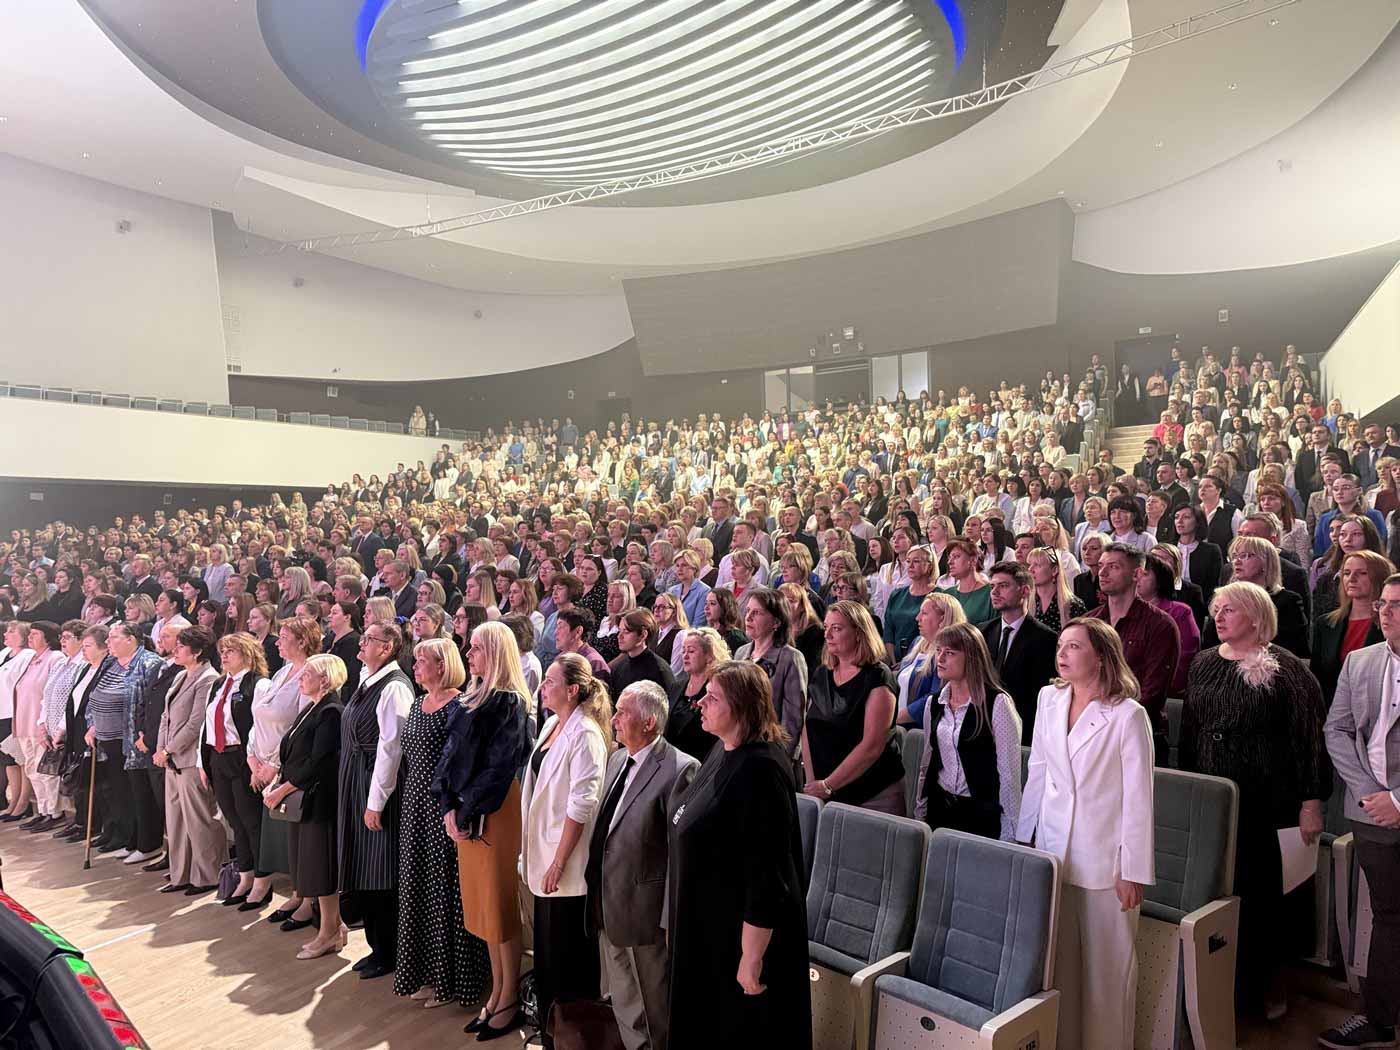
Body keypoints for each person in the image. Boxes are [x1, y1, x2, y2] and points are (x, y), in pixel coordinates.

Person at [1181, 581, 1327, 1018]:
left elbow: (1308, 739)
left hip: (1264, 798)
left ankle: (1264, 985)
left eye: (1230, 609)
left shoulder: (1287, 669)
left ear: (1257, 617)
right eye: (1217, 608)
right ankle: (1216, 987)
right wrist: (1188, 786)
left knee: (1260, 895)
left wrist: (1312, 801)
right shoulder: (1204, 661)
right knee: (1216, 890)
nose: (1219, 616)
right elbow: (1191, 728)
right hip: (1211, 795)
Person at [1017, 618, 1155, 1050]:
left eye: (1074, 646)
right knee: (1060, 971)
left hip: (1104, 863)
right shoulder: (1049, 698)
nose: (1062, 652)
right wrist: (1024, 837)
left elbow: (1139, 797)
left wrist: (1132, 869)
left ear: (1101, 657)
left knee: (1107, 977)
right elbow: (1038, 770)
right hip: (1053, 854)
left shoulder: (1128, 715)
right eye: (1061, 644)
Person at [666, 660, 811, 1050]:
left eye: (713, 698)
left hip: (735, 943)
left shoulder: (761, 769)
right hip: (706, 929)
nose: (700, 704)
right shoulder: (722, 748)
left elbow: (767, 875)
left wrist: (751, 958)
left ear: (743, 707)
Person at [586, 681, 699, 1050]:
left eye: (623, 712)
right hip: (609, 904)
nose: (614, 719)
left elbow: (680, 855)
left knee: (655, 1015)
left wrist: (668, 919)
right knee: (624, 1006)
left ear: (649, 723)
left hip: (647, 918)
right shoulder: (618, 759)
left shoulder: (680, 769)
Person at [433, 623, 532, 1038]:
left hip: (496, 808)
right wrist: (448, 804)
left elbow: (499, 767)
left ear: (495, 653)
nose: (468, 654)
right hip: (468, 808)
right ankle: (497, 992)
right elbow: (450, 757)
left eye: (476, 648)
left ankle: (509, 996)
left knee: (499, 906)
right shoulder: (472, 696)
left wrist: (465, 808)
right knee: (483, 908)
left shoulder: (510, 702)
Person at [1320, 572, 1400, 1050]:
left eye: (1398, 604)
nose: (1386, 612)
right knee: (1389, 914)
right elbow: (1337, 730)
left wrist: (1399, 800)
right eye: (1384, 603)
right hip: (1370, 811)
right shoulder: (1360, 660)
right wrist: (1372, 793)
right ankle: (1380, 1019)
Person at [393, 636, 490, 1010]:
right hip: (414, 807)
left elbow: (461, 764)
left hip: (443, 809)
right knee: (417, 888)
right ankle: (425, 973)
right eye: (415, 660)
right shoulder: (417, 703)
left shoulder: (460, 705)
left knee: (444, 892)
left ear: (443, 665)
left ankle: (450, 979)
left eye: (423, 660)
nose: (416, 666)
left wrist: (454, 809)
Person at [522, 653, 610, 1042]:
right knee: (547, 960)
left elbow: (581, 806)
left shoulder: (586, 734)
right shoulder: (552, 724)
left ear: (572, 690)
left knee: (567, 962)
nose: (543, 687)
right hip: (543, 857)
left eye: (551, 681)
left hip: (567, 867)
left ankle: (572, 1039)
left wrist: (558, 862)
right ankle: (550, 1035)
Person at [339, 621, 413, 981]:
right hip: (357, 779)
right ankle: (375, 946)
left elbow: (391, 749)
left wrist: (376, 802)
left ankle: (389, 952)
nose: (362, 642)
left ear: (387, 647)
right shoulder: (367, 679)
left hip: (376, 785)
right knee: (363, 868)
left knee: (380, 870)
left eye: (369, 639)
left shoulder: (395, 687)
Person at [264, 653, 347, 960]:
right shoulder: (312, 708)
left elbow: (318, 763)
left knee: (321, 869)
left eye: (307, 674)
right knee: (310, 868)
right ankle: (334, 928)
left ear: (325, 679)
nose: (300, 678)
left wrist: (282, 790)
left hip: (319, 801)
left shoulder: (331, 711)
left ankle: (328, 933)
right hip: (304, 800)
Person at [913, 622, 1021, 839]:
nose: (940, 658)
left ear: (971, 657)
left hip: (980, 813)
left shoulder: (997, 703)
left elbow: (1009, 775)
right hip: (940, 807)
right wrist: (920, 809)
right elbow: (928, 762)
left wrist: (1010, 833)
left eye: (950, 653)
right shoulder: (934, 703)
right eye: (939, 651)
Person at [801, 601, 905, 814]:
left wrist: (828, 784)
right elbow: (807, 729)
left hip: (872, 794)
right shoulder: (822, 673)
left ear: (859, 633)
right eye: (826, 627)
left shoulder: (878, 676)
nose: (827, 635)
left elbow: (871, 746)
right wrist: (814, 783)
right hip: (824, 790)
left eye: (837, 628)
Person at [255, 617, 322, 931]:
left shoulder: (311, 672)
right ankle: (297, 892)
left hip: (290, 767)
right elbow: (261, 717)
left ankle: (309, 900)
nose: (277, 642)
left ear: (303, 641)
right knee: (288, 841)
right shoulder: (283, 672)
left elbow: (301, 728)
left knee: (302, 839)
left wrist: (274, 764)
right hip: (268, 765)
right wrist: (254, 757)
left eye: (284, 637)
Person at [200, 631, 274, 909]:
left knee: (251, 822)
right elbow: (207, 725)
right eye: (222, 650)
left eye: (231, 650)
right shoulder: (219, 684)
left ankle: (263, 882)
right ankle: (245, 876)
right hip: (218, 758)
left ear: (248, 653)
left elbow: (261, 727)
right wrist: (203, 762)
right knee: (235, 822)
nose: (224, 655)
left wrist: (256, 763)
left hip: (243, 759)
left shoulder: (259, 684)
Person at [1089, 544, 1181, 762]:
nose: (1103, 572)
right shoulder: (1090, 622)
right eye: (1101, 565)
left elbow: (1152, 692)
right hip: (1091, 733)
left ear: (1137, 574)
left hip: (1136, 737)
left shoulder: (1160, 625)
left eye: (1113, 566)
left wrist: (1109, 726)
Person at [153, 625, 224, 895]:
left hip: (191, 759)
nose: (176, 650)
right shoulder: (181, 675)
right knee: (176, 822)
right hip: (171, 759)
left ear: (197, 652)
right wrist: (161, 748)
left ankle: (207, 876)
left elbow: (196, 723)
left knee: (199, 820)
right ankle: (180, 874)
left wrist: (168, 750)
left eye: (181, 646)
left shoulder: (208, 678)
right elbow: (166, 716)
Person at [978, 561, 1057, 744]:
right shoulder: (982, 632)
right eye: (992, 586)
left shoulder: (1046, 638)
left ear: (1025, 591)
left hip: (1022, 732)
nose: (995, 592)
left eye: (1003, 586)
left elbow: (1040, 697)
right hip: (982, 730)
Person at [1200, 536, 1310, 659]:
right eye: (1234, 556)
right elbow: (1209, 643)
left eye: (1245, 556)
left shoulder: (1288, 601)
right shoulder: (1223, 598)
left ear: (1266, 561)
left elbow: (1295, 651)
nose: (1237, 561)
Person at [1311, 551, 1393, 707]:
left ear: (1379, 578)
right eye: (1347, 573)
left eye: (1362, 573)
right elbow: (1317, 679)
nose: (1352, 579)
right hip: (1332, 710)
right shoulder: (1325, 624)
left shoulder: (1391, 624)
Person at [733, 588, 807, 753]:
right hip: (739, 746)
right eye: (748, 611)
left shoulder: (791, 658)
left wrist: (781, 757)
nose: (748, 617)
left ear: (776, 622)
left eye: (757, 612)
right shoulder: (741, 653)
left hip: (769, 751)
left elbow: (793, 721)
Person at [11, 621, 64, 831]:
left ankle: (55, 811)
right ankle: (42, 810)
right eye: (30, 633)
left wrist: (48, 725)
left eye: (35, 634)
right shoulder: (31, 658)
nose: (30, 637)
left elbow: (53, 692)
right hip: (24, 721)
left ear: (47, 637)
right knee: (32, 769)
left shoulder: (55, 658)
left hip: (42, 723)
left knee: (46, 771)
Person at [895, 592, 965, 728]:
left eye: (924, 613)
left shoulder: (947, 654)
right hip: (900, 724)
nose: (917, 618)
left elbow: (935, 696)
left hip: (921, 729)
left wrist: (899, 717)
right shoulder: (917, 643)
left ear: (942, 619)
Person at [1135, 553, 1200, 697]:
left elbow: (1185, 659)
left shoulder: (1180, 612)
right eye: (1134, 574)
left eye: (1144, 574)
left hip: (1162, 692)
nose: (1137, 578)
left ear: (1160, 580)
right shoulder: (1123, 610)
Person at [664, 628, 731, 763]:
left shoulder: (717, 691)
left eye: (691, 651)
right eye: (683, 651)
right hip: (671, 761)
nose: (685, 656)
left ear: (709, 655)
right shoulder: (676, 687)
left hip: (701, 761)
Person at [881, 543, 937, 662]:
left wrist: (909, 662)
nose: (910, 566)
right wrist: (894, 661)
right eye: (908, 561)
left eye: (916, 561)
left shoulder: (939, 596)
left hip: (923, 661)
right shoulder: (896, 594)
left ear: (930, 566)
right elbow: (888, 632)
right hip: (895, 661)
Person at [607, 609, 676, 697]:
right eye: (619, 631)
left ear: (643, 635)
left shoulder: (659, 670)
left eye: (626, 632)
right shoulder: (618, 668)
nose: (619, 636)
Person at [1172, 504, 1224, 610]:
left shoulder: (1211, 551)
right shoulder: (1166, 547)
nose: (1179, 521)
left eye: (1186, 517)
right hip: (1169, 603)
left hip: (1198, 606)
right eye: (1176, 517)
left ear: (1197, 522)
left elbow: (1214, 586)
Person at [325, 600, 363, 700]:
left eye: (334, 613)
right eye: (330, 613)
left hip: (339, 696)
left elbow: (351, 676)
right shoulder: (329, 637)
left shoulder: (355, 642)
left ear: (347, 617)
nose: (329, 616)